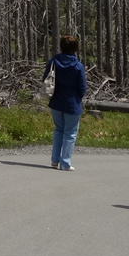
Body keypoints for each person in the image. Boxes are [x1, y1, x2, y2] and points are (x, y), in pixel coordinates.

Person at [42, 34, 87, 171]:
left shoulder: (53, 62)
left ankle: (55, 160)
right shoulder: (78, 66)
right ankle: (65, 163)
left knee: (59, 130)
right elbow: (82, 87)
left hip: (56, 101)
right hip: (72, 103)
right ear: (75, 49)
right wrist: (78, 97)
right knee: (70, 133)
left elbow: (45, 78)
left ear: (61, 47)